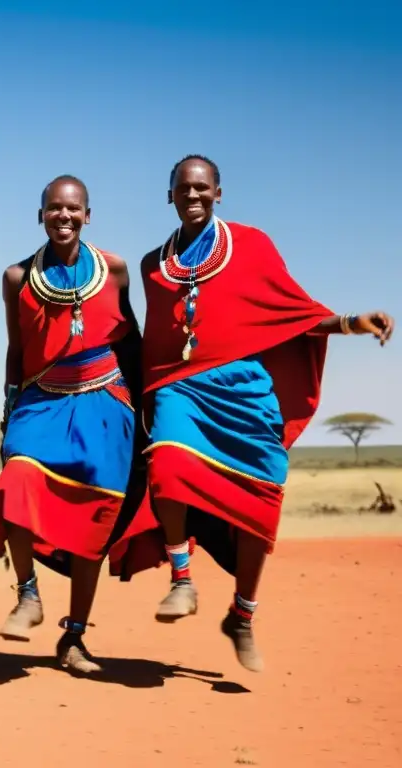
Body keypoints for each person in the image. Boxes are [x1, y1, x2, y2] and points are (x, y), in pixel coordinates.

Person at [110, 155, 394, 672]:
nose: (192, 196)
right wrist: (145, 395)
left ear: (218, 193)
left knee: (260, 511)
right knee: (167, 466)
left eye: (201, 188)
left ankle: (241, 616)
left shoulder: (252, 245)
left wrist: (352, 322)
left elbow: (291, 311)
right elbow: (157, 341)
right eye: (182, 189)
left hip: (245, 391)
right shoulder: (155, 265)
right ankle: (182, 579)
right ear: (168, 195)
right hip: (182, 389)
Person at [0, 175, 152, 674]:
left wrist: (148, 412)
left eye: (73, 208)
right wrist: (10, 405)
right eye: (54, 209)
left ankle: (75, 639)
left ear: (87, 214)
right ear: (41, 215)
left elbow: (132, 340)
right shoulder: (17, 276)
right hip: (42, 399)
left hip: (105, 402)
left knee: (94, 522)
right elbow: (17, 349)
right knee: (14, 482)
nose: (63, 216)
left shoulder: (116, 269)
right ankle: (28, 596)